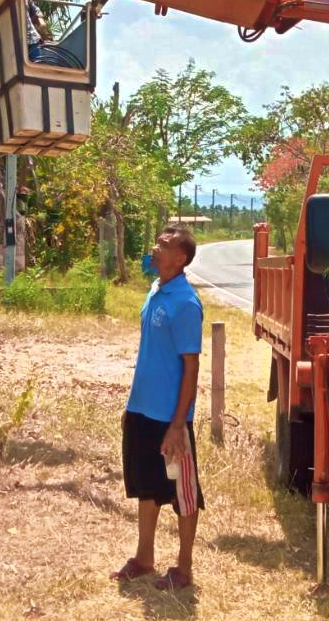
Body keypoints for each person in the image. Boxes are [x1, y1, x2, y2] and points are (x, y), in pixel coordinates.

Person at [110, 225, 204, 591]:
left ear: (180, 259)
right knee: (146, 487)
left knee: (182, 493)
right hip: (143, 412)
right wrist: (132, 407)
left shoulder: (185, 303)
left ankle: (183, 568)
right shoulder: (156, 291)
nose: (155, 248)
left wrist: (178, 423)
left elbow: (191, 366)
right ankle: (144, 558)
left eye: (163, 246)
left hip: (170, 419)